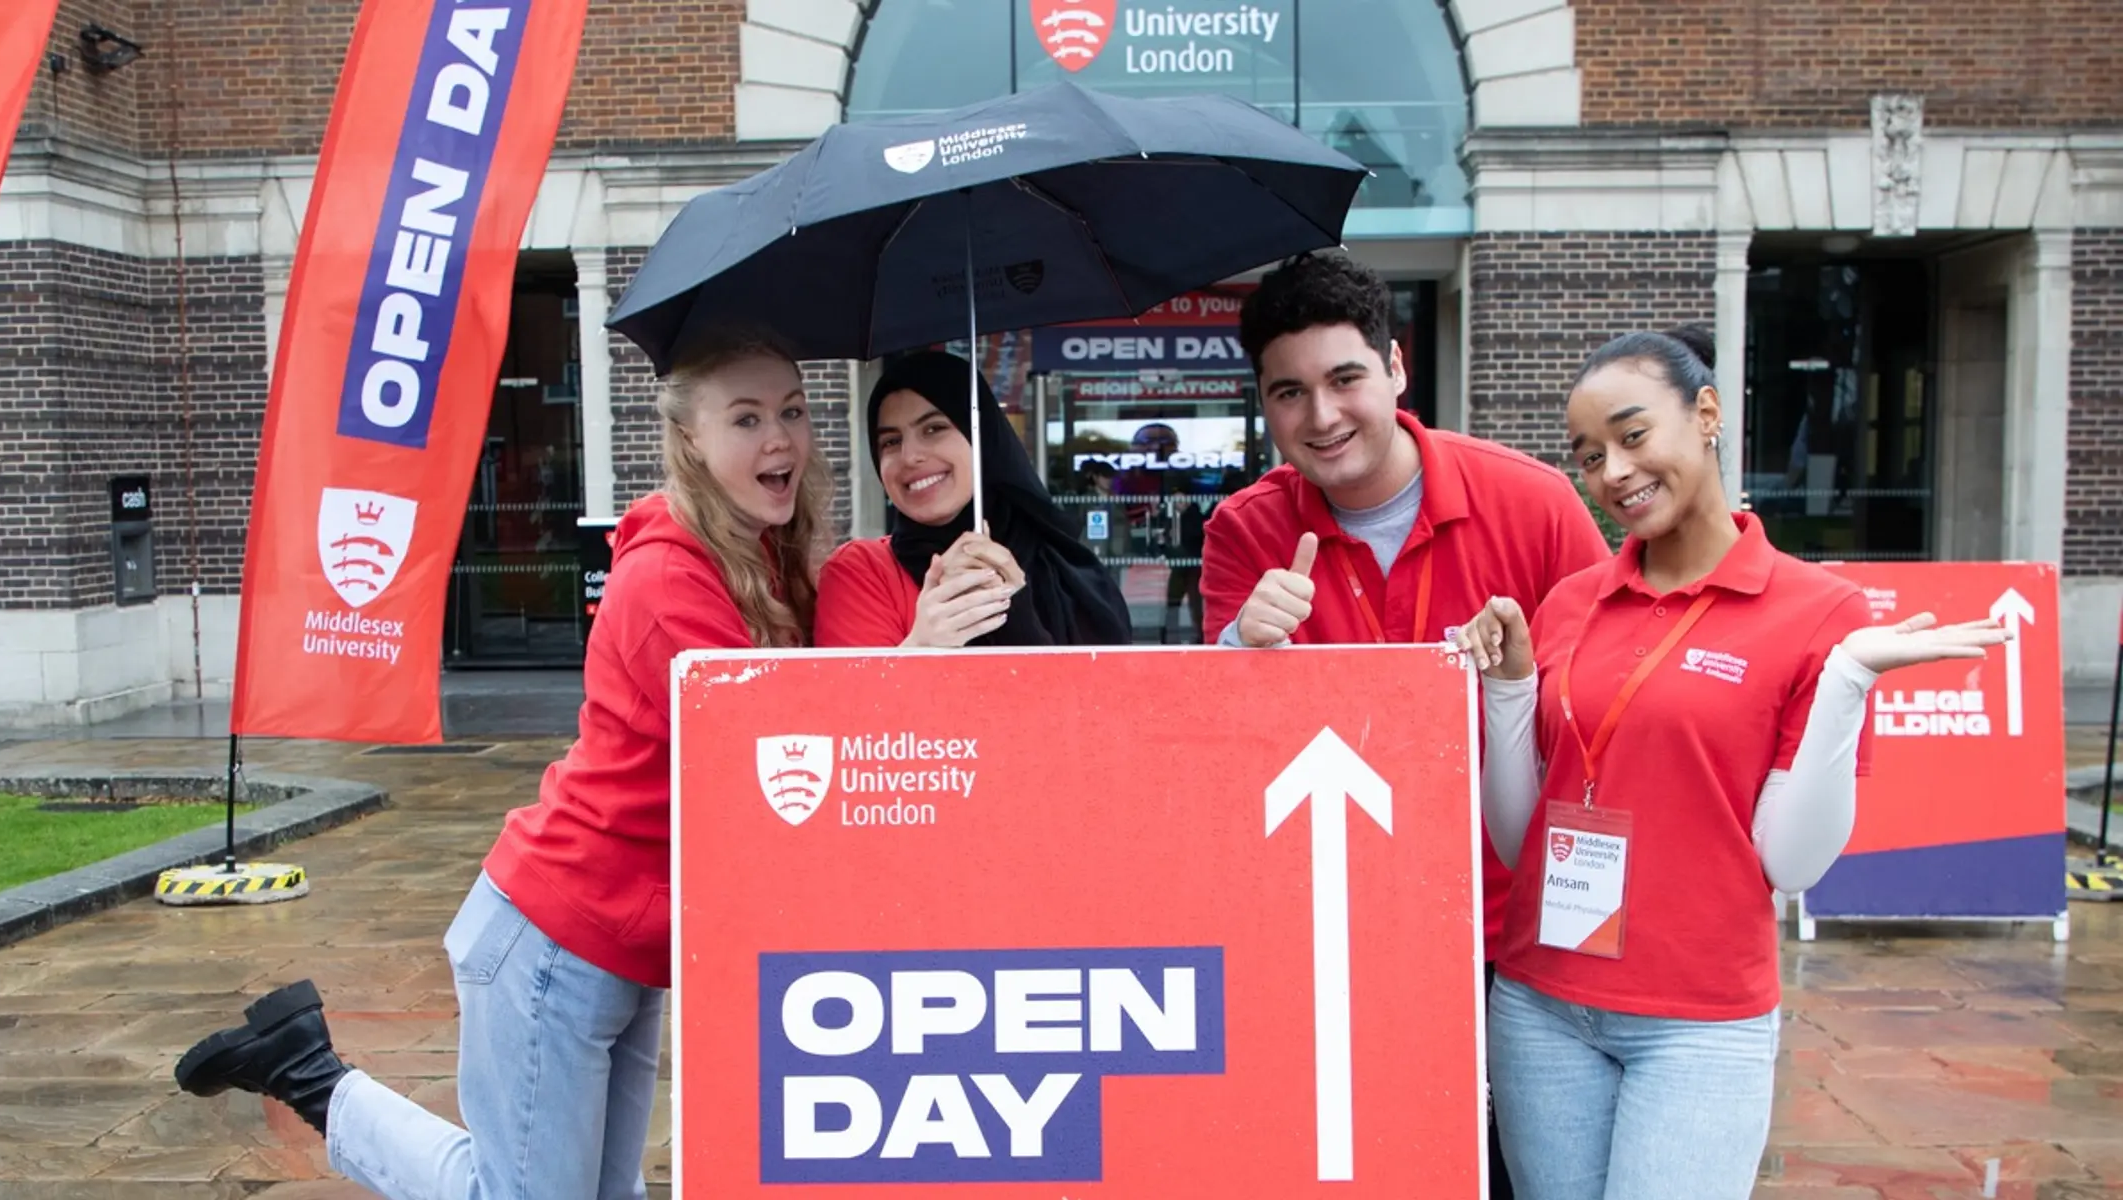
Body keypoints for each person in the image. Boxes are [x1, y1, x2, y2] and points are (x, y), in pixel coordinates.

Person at [171, 329, 838, 1200]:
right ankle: (310, 1075)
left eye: (791, 410)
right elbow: (773, 742)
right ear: (689, 441)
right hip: (556, 937)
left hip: (625, 942)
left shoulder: (758, 563)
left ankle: (305, 1064)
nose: (779, 438)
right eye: (745, 418)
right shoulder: (666, 584)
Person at [1451, 328, 2003, 1200]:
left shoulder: (1821, 612)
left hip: (1699, 1022)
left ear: (1706, 414)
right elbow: (1522, 840)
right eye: (1590, 457)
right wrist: (1512, 689)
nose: (1614, 474)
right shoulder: (1569, 603)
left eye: (1634, 437)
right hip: (1541, 1004)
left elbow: (1791, 861)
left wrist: (1850, 680)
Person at [1199, 251, 1609, 1199]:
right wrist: (1239, 647)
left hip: (1520, 933)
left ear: (1396, 366)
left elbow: (1601, 705)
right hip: (1335, 926)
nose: (1323, 416)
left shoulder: (1535, 504)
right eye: (1288, 393)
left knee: (1525, 1174)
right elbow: (1219, 748)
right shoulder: (1243, 531)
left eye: (1345, 378)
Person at [815, 349, 1133, 648]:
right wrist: (919, 647)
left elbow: (1111, 698)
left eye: (933, 428)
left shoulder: (1066, 569)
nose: (909, 456)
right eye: (890, 441)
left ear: (983, 438)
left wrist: (1018, 621)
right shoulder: (864, 573)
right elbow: (852, 705)